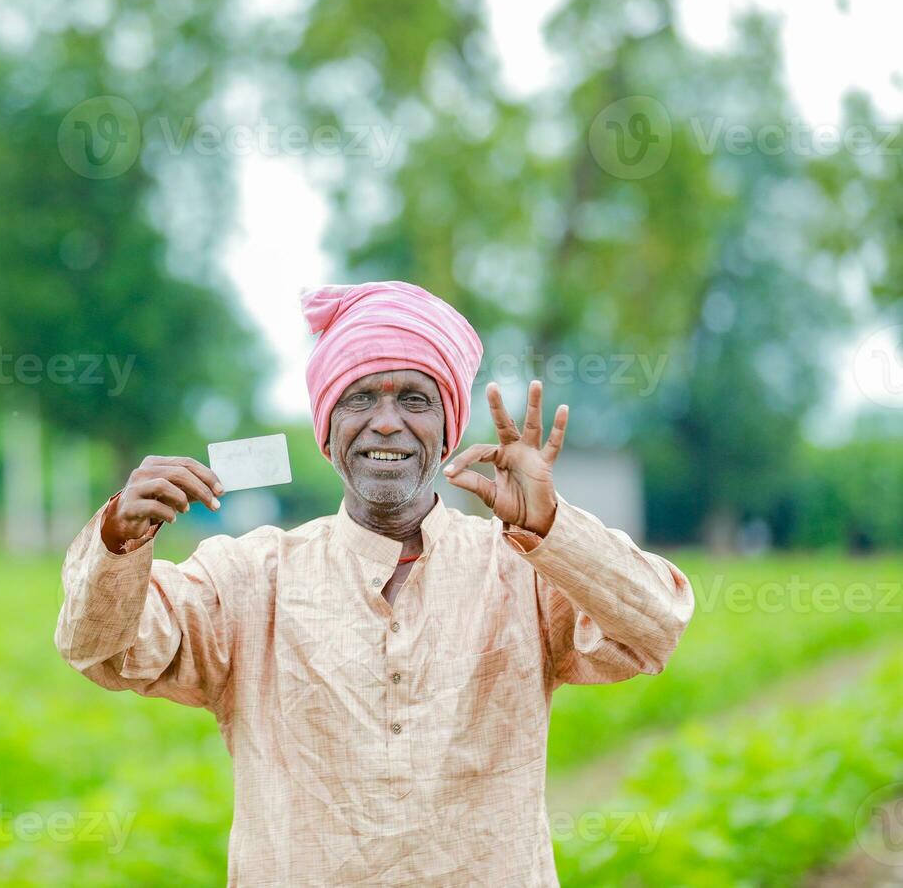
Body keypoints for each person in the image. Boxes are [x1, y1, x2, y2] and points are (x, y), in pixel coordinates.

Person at [54, 280, 695, 886]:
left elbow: (655, 628)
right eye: (360, 398)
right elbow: (107, 651)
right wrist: (119, 537)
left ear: (446, 432)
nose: (386, 422)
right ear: (328, 436)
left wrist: (552, 527)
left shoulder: (520, 569)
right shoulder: (251, 577)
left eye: (414, 399)